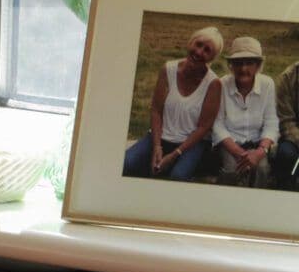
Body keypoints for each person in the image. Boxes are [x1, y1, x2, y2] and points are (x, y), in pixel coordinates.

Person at [122, 26, 222, 181]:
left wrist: (175, 154)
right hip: (160, 136)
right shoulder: (168, 69)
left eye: (207, 50)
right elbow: (156, 110)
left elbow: (204, 127)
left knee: (177, 176)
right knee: (127, 163)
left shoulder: (213, 83)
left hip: (190, 144)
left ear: (212, 58)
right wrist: (156, 146)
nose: (199, 52)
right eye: (198, 44)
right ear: (190, 43)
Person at [211, 36, 278, 188]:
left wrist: (260, 151)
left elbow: (271, 122)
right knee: (231, 171)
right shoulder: (222, 84)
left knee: (262, 169)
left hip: (257, 143)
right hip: (230, 143)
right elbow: (217, 124)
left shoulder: (267, 84)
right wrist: (239, 153)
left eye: (249, 63)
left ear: (258, 65)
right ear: (231, 65)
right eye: (238, 63)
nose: (243, 69)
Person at [273, 57, 299, 190]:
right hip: (293, 137)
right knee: (286, 155)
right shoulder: (288, 78)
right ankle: (285, 191)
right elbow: (286, 120)